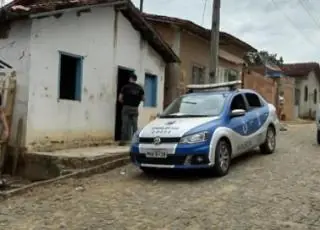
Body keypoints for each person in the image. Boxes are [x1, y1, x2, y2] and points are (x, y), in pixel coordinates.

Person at [118, 73, 144, 145]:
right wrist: (136, 100)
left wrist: (125, 102)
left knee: (124, 124)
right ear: (135, 79)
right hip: (135, 108)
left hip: (126, 107)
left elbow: (120, 99)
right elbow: (143, 99)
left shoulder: (125, 87)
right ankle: (136, 141)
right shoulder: (140, 88)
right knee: (135, 125)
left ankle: (123, 141)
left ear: (130, 79)